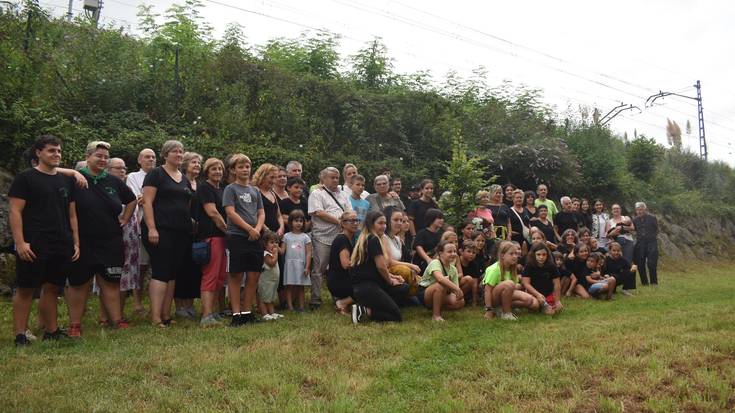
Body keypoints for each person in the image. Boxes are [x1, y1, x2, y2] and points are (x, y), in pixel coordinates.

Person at [9, 135, 81, 345]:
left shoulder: (66, 180)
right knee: (26, 288)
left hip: (61, 242)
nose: (56, 155)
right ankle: (20, 334)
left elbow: (72, 214)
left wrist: (75, 242)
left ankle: (51, 330)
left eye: (58, 151)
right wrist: (20, 242)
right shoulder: (25, 178)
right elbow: (15, 211)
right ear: (38, 153)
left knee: (52, 287)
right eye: (51, 151)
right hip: (34, 242)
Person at [73, 141, 137, 335]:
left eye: (105, 157)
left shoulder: (113, 181)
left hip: (110, 240)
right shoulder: (75, 180)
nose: (102, 159)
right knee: (79, 283)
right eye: (98, 156)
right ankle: (75, 325)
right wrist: (73, 172)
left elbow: (132, 199)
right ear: (88, 157)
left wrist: (125, 218)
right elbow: (52, 171)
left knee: (111, 281)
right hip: (82, 239)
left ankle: (116, 320)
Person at [141, 140, 192, 327]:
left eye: (181, 151)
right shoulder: (156, 174)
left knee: (172, 273)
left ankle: (166, 315)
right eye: (174, 152)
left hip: (181, 231)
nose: (179, 154)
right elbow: (147, 202)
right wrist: (152, 228)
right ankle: (155, 317)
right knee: (161, 271)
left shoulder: (183, 177)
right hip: (160, 229)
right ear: (165, 154)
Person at [223, 153, 265, 327]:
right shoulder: (230, 189)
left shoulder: (255, 190)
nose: (245, 169)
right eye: (240, 167)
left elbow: (261, 212)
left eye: (247, 166)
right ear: (233, 170)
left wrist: (256, 229)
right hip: (237, 236)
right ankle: (236, 314)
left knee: (254, 274)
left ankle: (247, 312)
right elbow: (230, 212)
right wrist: (248, 229)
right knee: (236, 275)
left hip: (255, 237)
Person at [349, 211, 408, 324]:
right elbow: (381, 267)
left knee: (403, 288)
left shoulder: (368, 238)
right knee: (396, 316)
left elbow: (373, 268)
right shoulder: (373, 239)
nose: (384, 226)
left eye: (385, 223)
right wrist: (390, 281)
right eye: (380, 223)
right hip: (367, 288)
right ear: (371, 225)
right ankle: (364, 310)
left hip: (371, 285)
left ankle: (381, 306)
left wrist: (393, 276)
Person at [308, 167, 352, 309]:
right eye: (332, 177)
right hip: (322, 237)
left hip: (340, 238)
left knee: (338, 269)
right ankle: (315, 299)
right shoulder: (317, 193)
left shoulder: (343, 194)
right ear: (324, 179)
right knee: (319, 269)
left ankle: (337, 295)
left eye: (337, 177)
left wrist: (346, 222)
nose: (335, 180)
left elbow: (349, 211)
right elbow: (318, 212)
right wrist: (339, 221)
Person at [196, 158, 228, 327]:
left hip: (222, 238)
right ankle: (206, 315)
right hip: (211, 236)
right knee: (210, 275)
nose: (218, 172)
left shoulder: (222, 190)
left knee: (220, 277)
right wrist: (228, 231)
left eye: (220, 169)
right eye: (214, 169)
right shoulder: (204, 188)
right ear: (207, 171)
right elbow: (213, 213)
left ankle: (214, 311)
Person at [125, 148, 156, 316]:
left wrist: (149, 199)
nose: (150, 159)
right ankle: (137, 303)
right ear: (139, 160)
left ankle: (155, 304)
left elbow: (148, 199)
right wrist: (149, 199)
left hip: (159, 224)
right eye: (147, 157)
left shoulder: (160, 175)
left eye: (153, 157)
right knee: (141, 266)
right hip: (140, 225)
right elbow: (138, 198)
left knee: (157, 267)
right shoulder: (133, 177)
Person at [174, 151, 203, 319]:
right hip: (182, 230)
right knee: (180, 268)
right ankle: (179, 306)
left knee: (194, 269)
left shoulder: (200, 184)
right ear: (185, 164)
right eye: (194, 162)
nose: (197, 165)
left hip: (198, 233)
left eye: (199, 163)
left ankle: (190, 304)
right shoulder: (180, 182)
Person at [482, 241, 538, 320]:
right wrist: (488, 309)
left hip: (506, 294)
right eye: (511, 254)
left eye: (516, 254)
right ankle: (506, 313)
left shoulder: (512, 268)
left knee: (533, 303)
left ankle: (503, 308)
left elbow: (515, 286)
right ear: (502, 255)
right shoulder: (494, 269)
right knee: (509, 284)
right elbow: (487, 290)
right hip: (493, 298)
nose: (515, 256)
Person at [417, 241, 469, 321]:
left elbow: (454, 290)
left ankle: (437, 307)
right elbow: (440, 279)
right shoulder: (435, 262)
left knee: (460, 302)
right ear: (440, 253)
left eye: (455, 251)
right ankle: (436, 316)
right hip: (425, 293)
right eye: (449, 251)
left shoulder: (453, 269)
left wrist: (457, 293)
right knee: (441, 284)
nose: (453, 254)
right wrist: (457, 289)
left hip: (442, 292)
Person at [384, 207, 421, 297]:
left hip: (399, 271)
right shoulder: (383, 237)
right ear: (387, 220)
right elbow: (388, 262)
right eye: (395, 220)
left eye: (401, 220)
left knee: (417, 275)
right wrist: (411, 266)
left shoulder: (398, 239)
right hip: (387, 273)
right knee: (405, 270)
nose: (399, 223)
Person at [327, 211, 359, 314]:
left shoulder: (350, 238)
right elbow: (346, 265)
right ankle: (342, 303)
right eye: (352, 221)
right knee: (366, 286)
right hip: (338, 282)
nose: (355, 223)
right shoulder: (342, 239)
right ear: (343, 224)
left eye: (357, 220)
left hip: (343, 279)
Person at [282, 210, 312, 312]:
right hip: (289, 265)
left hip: (301, 265)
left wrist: (307, 266)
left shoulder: (305, 237)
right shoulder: (286, 236)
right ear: (290, 222)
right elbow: (282, 251)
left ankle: (301, 307)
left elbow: (308, 253)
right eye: (296, 221)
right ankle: (290, 307)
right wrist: (275, 245)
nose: (299, 223)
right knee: (289, 286)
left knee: (300, 287)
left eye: (301, 221)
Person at [521, 242, 563, 315]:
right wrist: (537, 294)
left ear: (547, 255)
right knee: (535, 305)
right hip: (533, 294)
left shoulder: (551, 266)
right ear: (534, 255)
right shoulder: (529, 265)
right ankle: (538, 305)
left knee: (555, 311)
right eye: (538, 254)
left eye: (544, 254)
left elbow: (557, 283)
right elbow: (526, 283)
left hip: (548, 294)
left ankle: (546, 305)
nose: (541, 257)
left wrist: (557, 301)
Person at [253, 163, 285, 237]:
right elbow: (255, 215)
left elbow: (279, 215)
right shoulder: (255, 191)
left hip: (276, 235)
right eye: (271, 177)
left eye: (275, 178)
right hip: (262, 234)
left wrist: (281, 228)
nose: (274, 181)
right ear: (262, 176)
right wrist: (267, 230)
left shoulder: (272, 193)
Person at [633, 202, 659, 286]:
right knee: (640, 263)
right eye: (638, 210)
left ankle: (654, 282)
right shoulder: (635, 220)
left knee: (652, 263)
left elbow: (656, 229)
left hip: (652, 243)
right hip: (640, 243)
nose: (639, 211)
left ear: (645, 209)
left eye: (641, 209)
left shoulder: (652, 218)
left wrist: (650, 236)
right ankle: (644, 283)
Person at [258, 231, 283, 320]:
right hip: (266, 281)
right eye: (272, 242)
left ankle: (272, 312)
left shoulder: (272, 254)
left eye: (276, 242)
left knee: (271, 297)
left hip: (273, 280)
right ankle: (264, 313)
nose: (275, 245)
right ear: (265, 244)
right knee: (264, 297)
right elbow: (272, 263)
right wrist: (276, 254)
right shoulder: (266, 254)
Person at [411, 208, 445, 273]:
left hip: (435, 264)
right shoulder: (422, 233)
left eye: (442, 218)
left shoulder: (440, 234)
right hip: (421, 264)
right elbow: (418, 247)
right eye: (439, 218)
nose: (442, 220)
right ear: (431, 219)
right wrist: (428, 259)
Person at [508, 189, 530, 253]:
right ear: (513, 199)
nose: (519, 199)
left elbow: (528, 223)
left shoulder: (526, 210)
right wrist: (510, 232)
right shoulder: (509, 210)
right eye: (517, 198)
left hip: (526, 238)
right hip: (515, 238)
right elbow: (508, 223)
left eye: (520, 197)